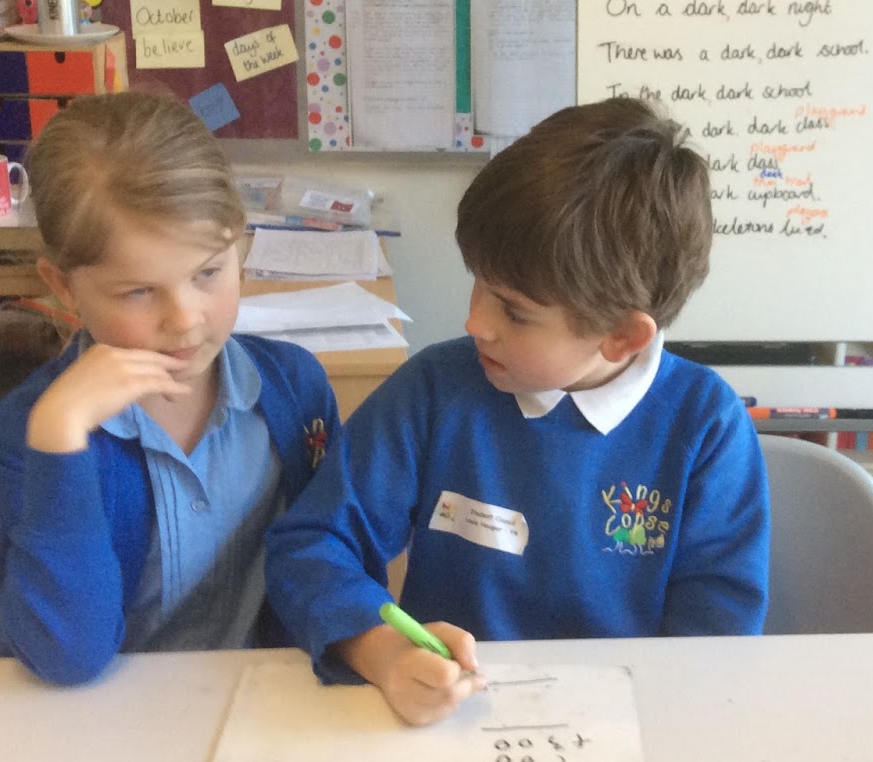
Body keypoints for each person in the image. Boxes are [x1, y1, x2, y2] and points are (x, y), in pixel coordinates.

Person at [267, 97, 770, 725]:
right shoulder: (436, 391)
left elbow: (715, 638)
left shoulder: (705, 425)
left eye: (514, 310)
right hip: (451, 720)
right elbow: (313, 544)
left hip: (625, 725)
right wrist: (383, 651)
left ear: (621, 337)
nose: (474, 321)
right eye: (478, 281)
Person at [0, 91, 339, 685]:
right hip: (88, 713)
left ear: (241, 244)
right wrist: (60, 438)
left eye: (208, 272)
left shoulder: (295, 392)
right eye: (139, 292)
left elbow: (327, 563)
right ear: (63, 287)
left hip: (249, 699)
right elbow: (67, 658)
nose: (186, 320)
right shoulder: (28, 432)